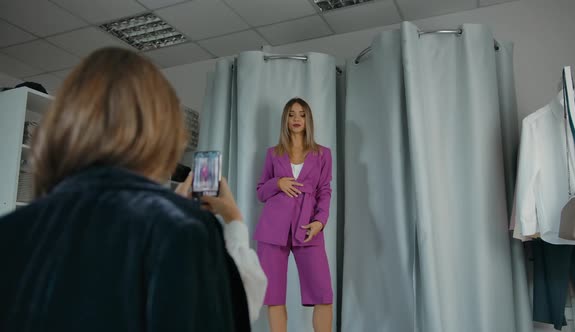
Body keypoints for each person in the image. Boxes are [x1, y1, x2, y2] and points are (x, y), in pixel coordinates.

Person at [0, 47, 266, 332]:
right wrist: (233, 220)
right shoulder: (182, 228)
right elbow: (229, 313)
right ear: (160, 130)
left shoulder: (10, 231)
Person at [255, 98, 333, 332]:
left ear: (308, 118)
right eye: (291, 114)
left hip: (308, 228)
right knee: (274, 296)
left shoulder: (323, 154)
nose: (296, 119)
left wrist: (320, 221)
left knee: (323, 294)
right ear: (285, 120)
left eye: (301, 114)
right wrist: (277, 182)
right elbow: (260, 192)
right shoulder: (273, 153)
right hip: (273, 229)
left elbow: (325, 190)